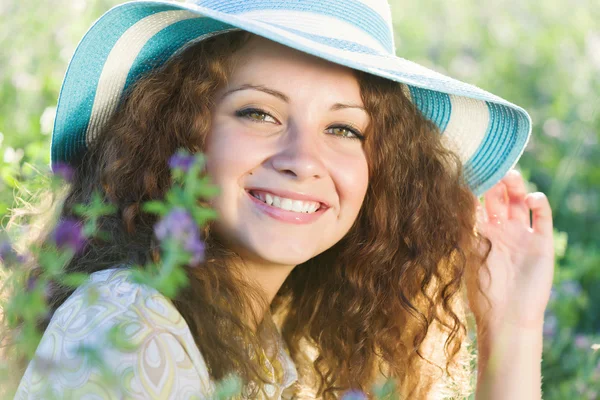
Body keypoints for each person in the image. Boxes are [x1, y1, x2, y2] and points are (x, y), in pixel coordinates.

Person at [8, 0, 554, 399]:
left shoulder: (272, 356)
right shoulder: (132, 322)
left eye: (344, 129)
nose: (303, 158)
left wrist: (512, 325)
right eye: (258, 113)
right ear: (179, 132)